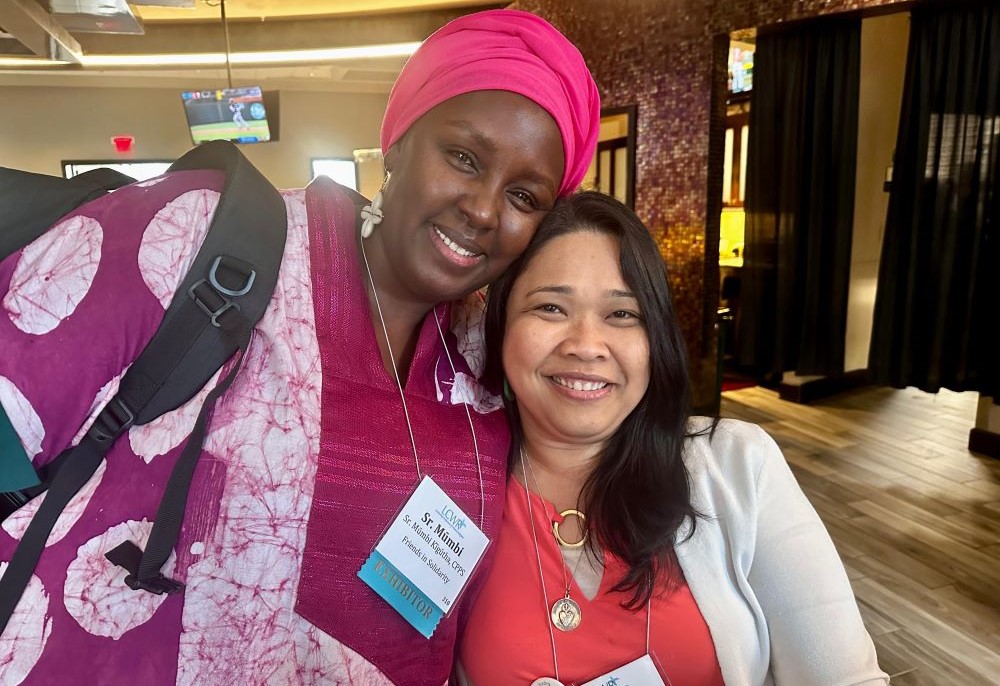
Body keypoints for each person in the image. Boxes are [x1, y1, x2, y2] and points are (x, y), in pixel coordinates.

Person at [0, 9, 599, 686]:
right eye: (463, 158)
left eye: (524, 195)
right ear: (398, 145)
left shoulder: (493, 360)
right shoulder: (205, 238)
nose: (486, 209)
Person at [457, 191, 888, 685]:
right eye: (551, 307)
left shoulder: (738, 466)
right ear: (502, 325)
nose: (585, 345)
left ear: (654, 339)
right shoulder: (456, 483)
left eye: (621, 314)